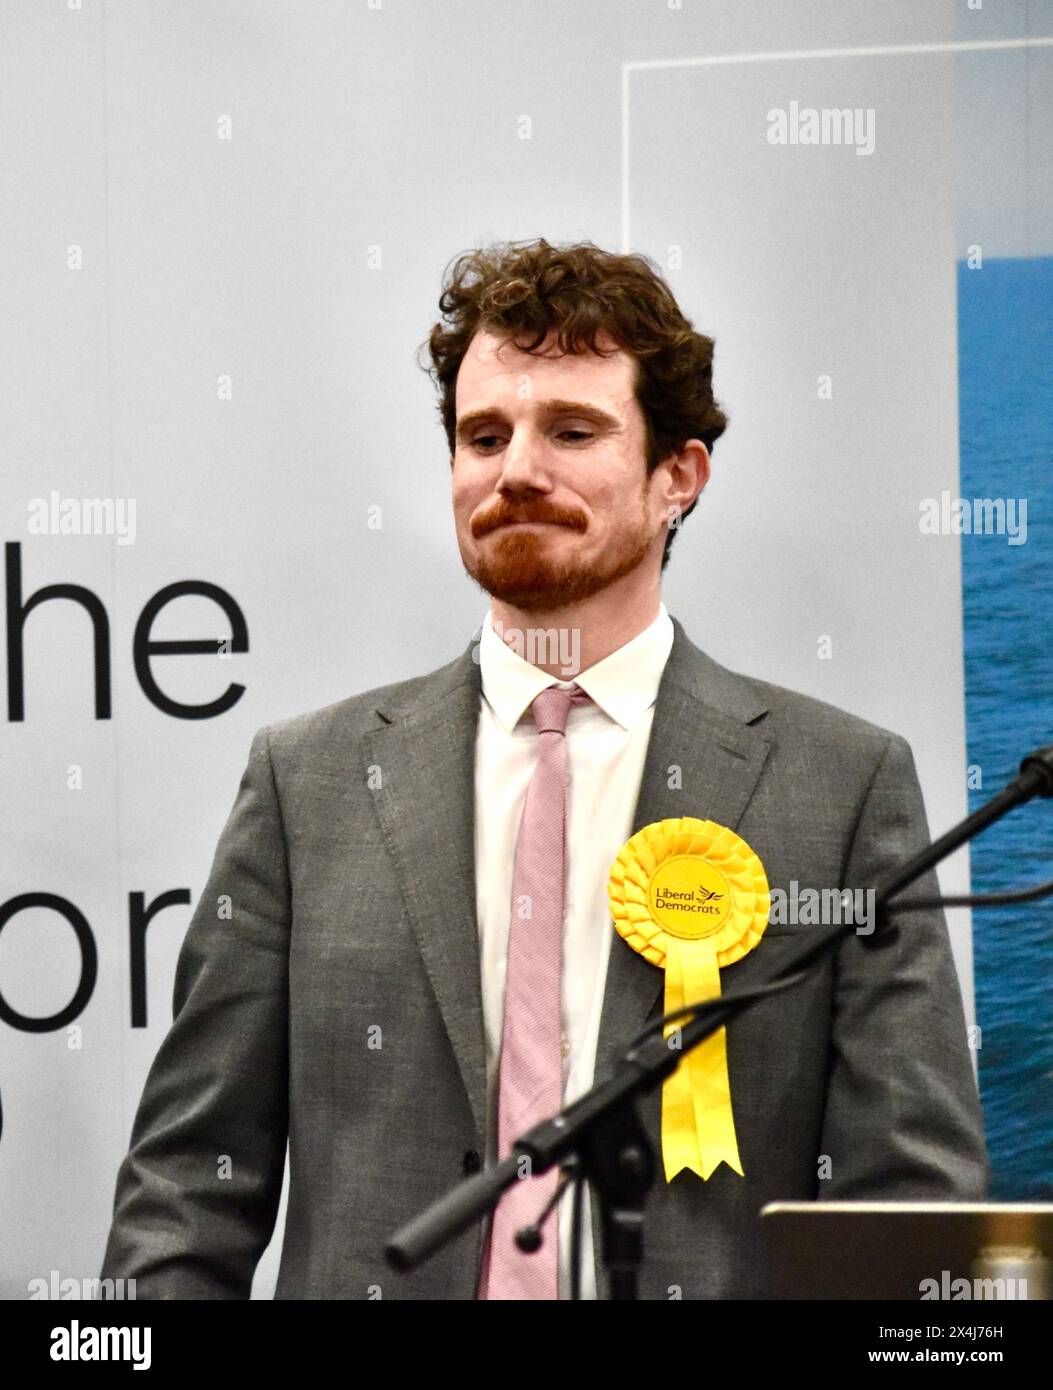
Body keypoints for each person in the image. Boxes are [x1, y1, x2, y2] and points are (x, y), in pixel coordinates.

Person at [100, 238, 987, 1300]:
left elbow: (910, 1210)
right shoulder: (309, 782)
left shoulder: (842, 788)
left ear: (678, 477)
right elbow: (191, 1182)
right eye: (485, 435)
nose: (516, 469)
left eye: (572, 430)